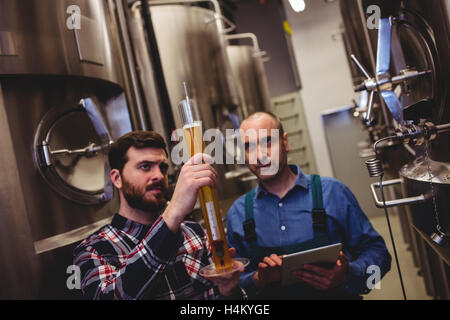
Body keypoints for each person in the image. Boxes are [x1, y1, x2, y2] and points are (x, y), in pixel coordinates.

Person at [226, 112, 391, 299]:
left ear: (285, 143)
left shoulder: (333, 193)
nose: (260, 155)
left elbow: (382, 257)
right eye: (249, 147)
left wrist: (348, 274)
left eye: (267, 142)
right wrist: (258, 279)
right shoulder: (238, 215)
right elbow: (230, 291)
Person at [73, 131, 245, 300]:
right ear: (117, 178)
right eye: (145, 166)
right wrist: (173, 212)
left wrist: (228, 291)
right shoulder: (94, 250)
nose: (158, 176)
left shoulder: (194, 233)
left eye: (162, 167)